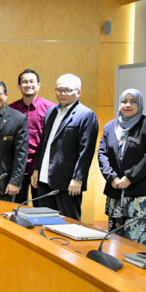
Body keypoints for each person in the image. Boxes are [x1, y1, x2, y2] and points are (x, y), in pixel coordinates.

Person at [98, 89, 146, 248]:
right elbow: (102, 153)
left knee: (139, 248)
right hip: (116, 194)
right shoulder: (110, 127)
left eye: (133, 101)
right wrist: (112, 177)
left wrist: (129, 178)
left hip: (141, 197)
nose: (128, 105)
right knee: (115, 246)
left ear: (139, 104)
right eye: (124, 101)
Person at [31, 74, 98, 221]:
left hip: (67, 182)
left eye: (68, 90)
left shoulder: (86, 115)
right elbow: (44, 143)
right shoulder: (51, 112)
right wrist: (36, 169)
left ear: (78, 92)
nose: (63, 93)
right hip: (43, 179)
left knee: (68, 224)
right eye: (59, 90)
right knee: (43, 222)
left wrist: (78, 178)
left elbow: (86, 151)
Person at [9, 69, 56, 205]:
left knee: (42, 207)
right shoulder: (12, 109)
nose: (28, 85)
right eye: (24, 82)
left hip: (42, 167)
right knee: (17, 207)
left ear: (38, 85)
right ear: (19, 86)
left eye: (32, 81)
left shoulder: (51, 109)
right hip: (18, 167)